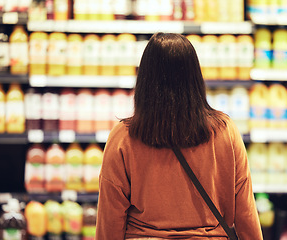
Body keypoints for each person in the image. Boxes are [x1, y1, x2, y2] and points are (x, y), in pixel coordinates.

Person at [95, 32, 262, 240]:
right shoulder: (225, 131)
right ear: (195, 77)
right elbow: (245, 211)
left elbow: (110, 220)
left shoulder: (123, 137)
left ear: (145, 79)